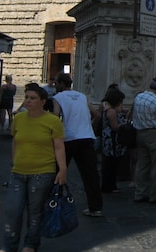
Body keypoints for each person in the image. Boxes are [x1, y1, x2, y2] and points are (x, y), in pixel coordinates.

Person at [0, 83, 67, 252]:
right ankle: (9, 246)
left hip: (42, 172)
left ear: (43, 101)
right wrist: (14, 161)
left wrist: (63, 169)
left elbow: (59, 146)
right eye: (27, 98)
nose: (28, 101)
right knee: (12, 210)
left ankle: (31, 244)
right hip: (18, 172)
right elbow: (15, 140)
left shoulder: (52, 121)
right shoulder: (19, 119)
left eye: (32, 98)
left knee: (35, 212)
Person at [51, 73, 104, 217]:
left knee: (59, 170)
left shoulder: (58, 98)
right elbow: (97, 115)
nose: (55, 85)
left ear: (62, 83)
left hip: (68, 138)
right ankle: (96, 207)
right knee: (90, 174)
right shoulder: (82, 96)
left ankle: (53, 202)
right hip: (86, 137)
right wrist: (89, 127)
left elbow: (55, 117)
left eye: (56, 83)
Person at [100, 86, 126, 193]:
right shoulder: (111, 112)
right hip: (112, 140)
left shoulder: (108, 108)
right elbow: (115, 127)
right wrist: (124, 125)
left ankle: (110, 184)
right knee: (110, 164)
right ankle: (108, 185)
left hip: (108, 139)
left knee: (110, 163)